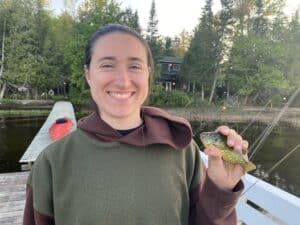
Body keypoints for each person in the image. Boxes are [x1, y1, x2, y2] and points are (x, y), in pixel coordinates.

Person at [23, 24, 249, 225]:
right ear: (88, 75)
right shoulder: (52, 163)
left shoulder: (183, 150)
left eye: (134, 66)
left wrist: (221, 190)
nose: (123, 81)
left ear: (148, 74)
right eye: (107, 65)